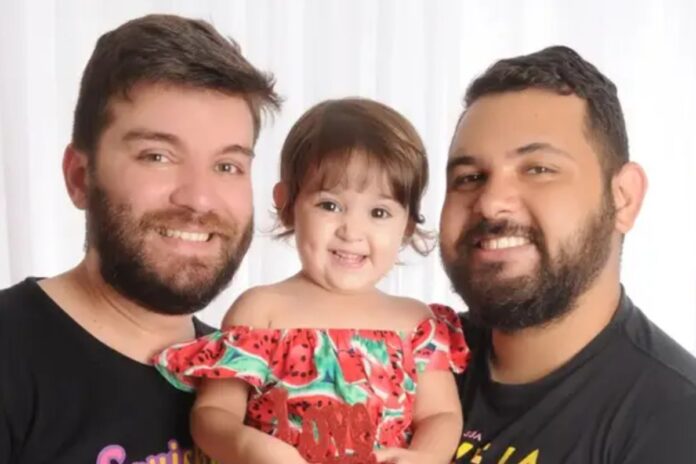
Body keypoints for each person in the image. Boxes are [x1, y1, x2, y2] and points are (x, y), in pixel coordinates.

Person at [0, 14, 280, 463]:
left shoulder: (249, 378)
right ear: (79, 177)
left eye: (227, 165)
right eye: (157, 156)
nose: (199, 198)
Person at [154, 98, 469, 464]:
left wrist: (425, 457)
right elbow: (213, 413)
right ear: (288, 204)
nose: (352, 231)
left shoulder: (416, 323)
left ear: (408, 225)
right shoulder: (262, 311)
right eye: (329, 205)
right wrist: (244, 445)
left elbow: (441, 415)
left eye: (379, 212)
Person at [439, 45, 696, 463]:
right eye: (469, 177)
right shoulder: (406, 361)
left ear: (623, 198)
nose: (491, 203)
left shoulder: (675, 425)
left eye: (538, 169)